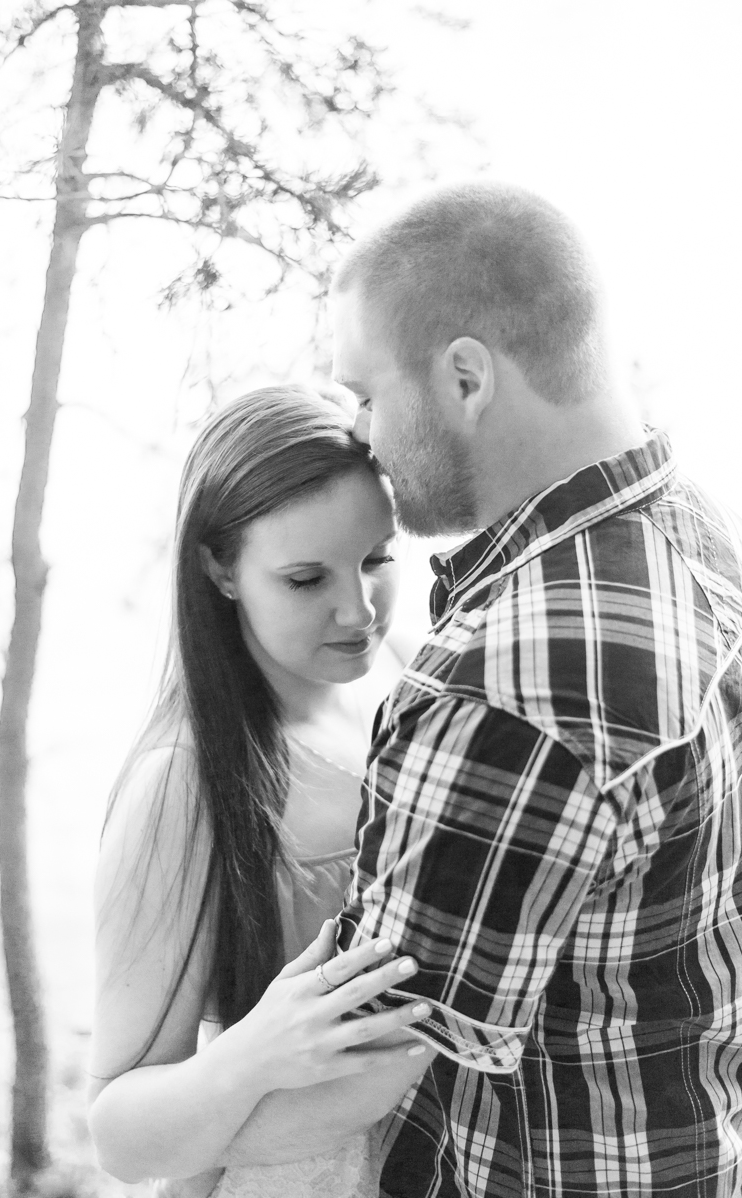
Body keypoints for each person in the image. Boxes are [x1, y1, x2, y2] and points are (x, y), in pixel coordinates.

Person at [211, 183, 742, 1197]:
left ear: (463, 377)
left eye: (365, 393)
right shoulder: (695, 535)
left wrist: (139, 1120)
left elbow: (352, 1063)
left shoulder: (506, 682)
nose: (357, 431)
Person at [86, 385, 431, 1197]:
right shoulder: (185, 783)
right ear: (220, 568)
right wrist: (255, 1052)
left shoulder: (406, 672)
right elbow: (118, 1134)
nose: (359, 610)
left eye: (377, 558)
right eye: (306, 579)